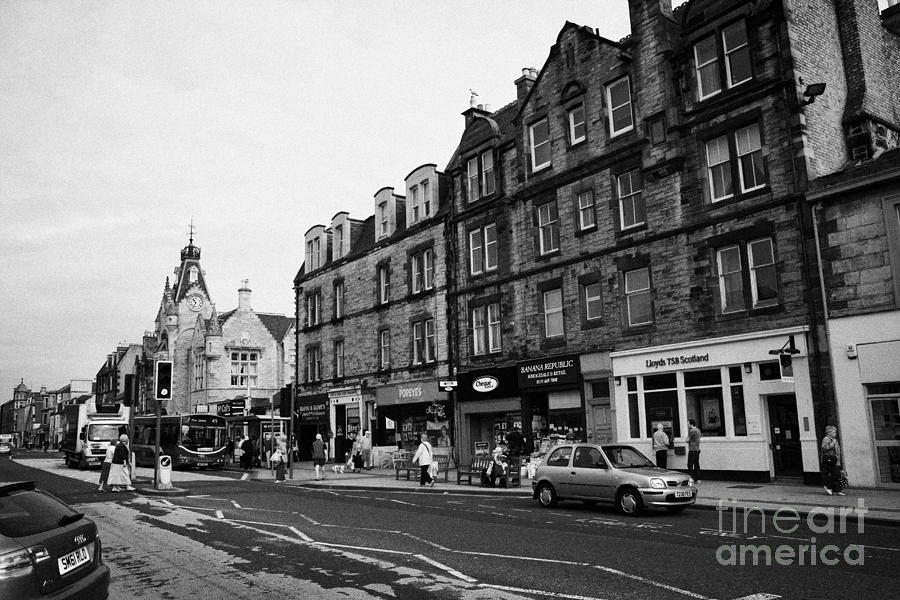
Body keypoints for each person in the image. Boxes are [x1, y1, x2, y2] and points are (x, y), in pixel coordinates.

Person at [821, 425, 845, 495]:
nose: (835, 433)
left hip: (836, 459)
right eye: (833, 432)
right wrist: (832, 444)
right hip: (831, 459)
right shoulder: (826, 439)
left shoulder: (835, 439)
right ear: (829, 433)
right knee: (835, 474)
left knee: (837, 474)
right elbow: (824, 448)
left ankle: (837, 490)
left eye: (835, 432)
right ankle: (828, 486)